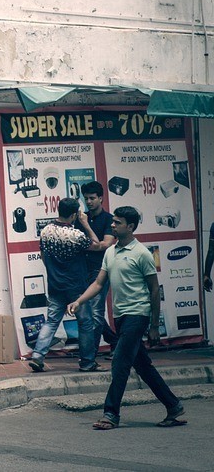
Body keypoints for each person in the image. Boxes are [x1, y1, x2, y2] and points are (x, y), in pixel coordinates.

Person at [69, 206, 185, 430]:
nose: (112, 225)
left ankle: (110, 414)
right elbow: (99, 283)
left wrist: (153, 326)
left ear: (130, 227)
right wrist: (79, 301)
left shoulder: (142, 253)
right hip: (121, 317)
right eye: (112, 221)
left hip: (138, 315)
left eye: (117, 222)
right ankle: (174, 406)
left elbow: (153, 290)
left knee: (120, 364)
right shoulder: (110, 252)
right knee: (143, 367)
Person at [28, 198, 97, 373]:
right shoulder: (76, 235)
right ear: (74, 215)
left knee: (51, 321)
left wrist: (54, 274)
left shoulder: (46, 231)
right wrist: (86, 224)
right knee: (86, 323)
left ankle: (37, 356)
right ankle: (87, 362)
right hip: (77, 287)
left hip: (55, 285)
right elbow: (97, 245)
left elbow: (43, 256)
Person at [78, 181, 117, 359]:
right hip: (81, 271)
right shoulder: (81, 218)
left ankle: (89, 356)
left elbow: (105, 245)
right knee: (90, 312)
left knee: (95, 313)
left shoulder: (109, 220)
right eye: (86, 199)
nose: (89, 202)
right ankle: (115, 341)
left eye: (92, 198)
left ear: (101, 198)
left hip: (100, 271)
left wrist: (86, 230)